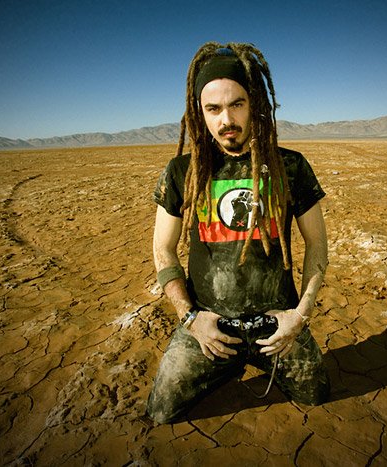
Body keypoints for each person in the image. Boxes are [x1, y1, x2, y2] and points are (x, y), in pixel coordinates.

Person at [146, 42, 330, 424]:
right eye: (213, 108)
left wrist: (299, 315)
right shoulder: (182, 172)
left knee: (317, 394)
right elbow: (163, 249)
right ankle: (225, 364)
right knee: (161, 411)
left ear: (254, 104)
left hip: (276, 326)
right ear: (199, 112)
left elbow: (317, 243)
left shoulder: (290, 167)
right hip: (209, 325)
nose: (226, 119)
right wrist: (190, 318)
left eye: (237, 104)